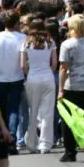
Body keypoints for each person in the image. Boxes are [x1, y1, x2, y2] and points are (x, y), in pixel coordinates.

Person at [57, 15, 84, 163]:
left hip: (72, 85)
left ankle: (70, 151)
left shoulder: (67, 45)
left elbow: (63, 68)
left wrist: (60, 89)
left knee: (68, 119)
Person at [0, 11, 26, 155]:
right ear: (16, 23)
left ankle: (3, 139)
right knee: (14, 109)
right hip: (17, 77)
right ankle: (12, 139)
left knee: (2, 110)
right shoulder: (22, 38)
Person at [20, 19, 57, 154]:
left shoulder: (26, 43)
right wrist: (48, 71)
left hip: (32, 78)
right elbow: (54, 64)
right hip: (48, 77)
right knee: (48, 112)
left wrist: (29, 73)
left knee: (33, 111)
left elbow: (23, 65)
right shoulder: (50, 42)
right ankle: (45, 144)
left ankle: (31, 143)